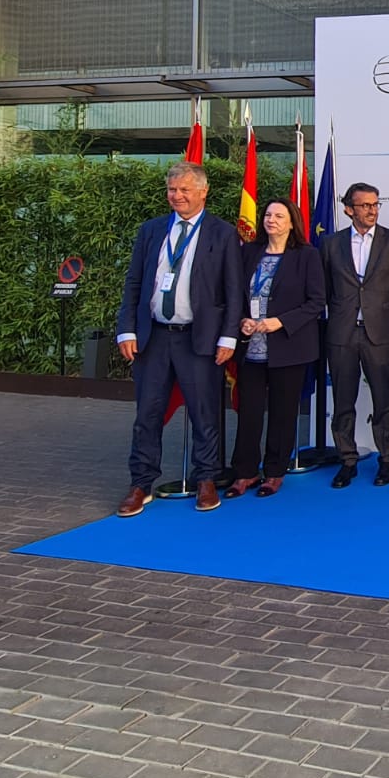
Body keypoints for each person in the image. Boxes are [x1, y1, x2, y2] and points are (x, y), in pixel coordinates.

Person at [114, 161, 242, 516]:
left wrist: (228, 338)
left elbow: (234, 292)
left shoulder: (223, 233)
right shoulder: (151, 230)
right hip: (153, 337)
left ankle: (205, 479)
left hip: (198, 339)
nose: (177, 196)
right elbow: (134, 283)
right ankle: (140, 484)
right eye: (172, 190)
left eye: (185, 190)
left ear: (203, 192)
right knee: (148, 414)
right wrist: (126, 328)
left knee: (205, 414)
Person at [226, 199, 326, 498]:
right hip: (251, 347)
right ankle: (244, 473)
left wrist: (280, 322)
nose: (272, 220)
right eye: (268, 215)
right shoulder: (250, 252)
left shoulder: (306, 256)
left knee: (282, 414)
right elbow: (237, 293)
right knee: (250, 413)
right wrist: (242, 320)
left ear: (292, 222)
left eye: (279, 216)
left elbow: (316, 301)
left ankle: (274, 472)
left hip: (289, 346)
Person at [321, 182, 389, 488]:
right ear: (349, 209)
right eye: (365, 205)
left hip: (379, 332)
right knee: (343, 399)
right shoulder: (331, 244)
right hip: (342, 333)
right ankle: (347, 460)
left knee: (384, 399)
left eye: (376, 205)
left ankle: (387, 461)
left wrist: (381, 311)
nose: (372, 210)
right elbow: (325, 288)